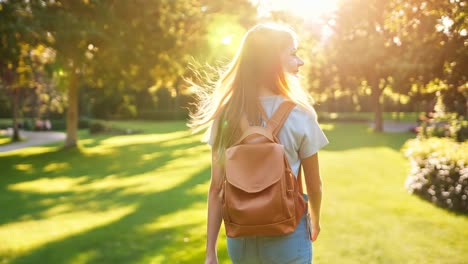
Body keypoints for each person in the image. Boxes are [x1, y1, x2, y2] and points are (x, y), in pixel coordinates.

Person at [188, 23, 329, 264]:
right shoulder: (300, 114)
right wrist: (314, 219)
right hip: (288, 232)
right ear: (272, 61)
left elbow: (216, 188)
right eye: (293, 53)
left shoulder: (227, 115)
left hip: (241, 237)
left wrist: (210, 251)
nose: (301, 61)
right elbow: (313, 184)